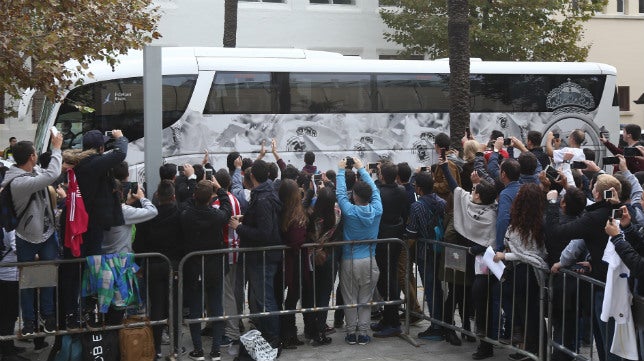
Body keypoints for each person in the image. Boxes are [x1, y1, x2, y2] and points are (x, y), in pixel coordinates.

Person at [1, 130, 63, 335]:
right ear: (31, 157)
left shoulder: (32, 171)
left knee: (47, 276)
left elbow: (47, 172)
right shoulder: (19, 182)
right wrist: (56, 148)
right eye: (35, 153)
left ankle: (47, 316)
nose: (37, 156)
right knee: (27, 280)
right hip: (26, 237)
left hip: (46, 234)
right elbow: (52, 174)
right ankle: (29, 321)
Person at [228, 159, 283, 350]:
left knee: (265, 299)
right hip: (263, 257)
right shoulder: (267, 193)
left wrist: (240, 227)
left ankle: (273, 338)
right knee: (263, 299)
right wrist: (246, 219)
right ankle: (269, 335)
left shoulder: (262, 199)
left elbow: (264, 233)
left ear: (251, 176)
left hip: (263, 258)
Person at [493, 183, 548, 359]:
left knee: (527, 312)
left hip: (524, 272)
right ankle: (533, 348)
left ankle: (531, 349)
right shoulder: (540, 221)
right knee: (532, 312)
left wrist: (505, 256)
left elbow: (523, 254)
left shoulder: (523, 224)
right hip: (531, 272)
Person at [181, 179, 232, 361]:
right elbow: (227, 209)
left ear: (194, 195)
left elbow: (184, 202)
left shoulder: (186, 214)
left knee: (195, 309)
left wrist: (195, 182)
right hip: (214, 268)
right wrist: (220, 190)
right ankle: (216, 350)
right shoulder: (216, 216)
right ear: (211, 197)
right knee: (216, 307)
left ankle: (198, 350)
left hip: (194, 268)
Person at [133, 180, 184, 359]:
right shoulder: (179, 215)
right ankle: (176, 347)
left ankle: (156, 348)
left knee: (156, 306)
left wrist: (140, 264)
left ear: (157, 197)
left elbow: (138, 243)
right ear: (173, 197)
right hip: (175, 266)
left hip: (153, 265)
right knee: (174, 306)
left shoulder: (148, 217)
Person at [335, 156, 382, 346]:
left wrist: (340, 171)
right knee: (365, 298)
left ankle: (350, 332)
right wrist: (362, 169)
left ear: (354, 196)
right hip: (370, 260)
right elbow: (376, 191)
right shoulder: (377, 209)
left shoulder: (349, 211)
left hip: (349, 259)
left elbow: (339, 193)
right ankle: (363, 332)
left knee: (349, 297)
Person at [405, 171, 447, 342]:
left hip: (426, 252)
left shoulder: (417, 206)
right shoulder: (442, 202)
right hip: (442, 251)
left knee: (430, 289)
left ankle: (436, 326)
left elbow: (412, 233)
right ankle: (443, 322)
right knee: (440, 288)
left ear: (419, 188)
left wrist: (405, 248)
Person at [371, 161, 408, 338]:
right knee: (388, 278)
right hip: (396, 238)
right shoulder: (401, 190)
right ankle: (388, 318)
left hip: (384, 239)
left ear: (382, 176)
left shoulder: (379, 193)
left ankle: (392, 322)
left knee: (386, 280)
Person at [303, 186, 341, 346]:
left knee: (310, 293)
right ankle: (320, 329)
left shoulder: (310, 216)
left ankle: (310, 329)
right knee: (324, 295)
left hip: (311, 257)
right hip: (329, 255)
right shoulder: (337, 215)